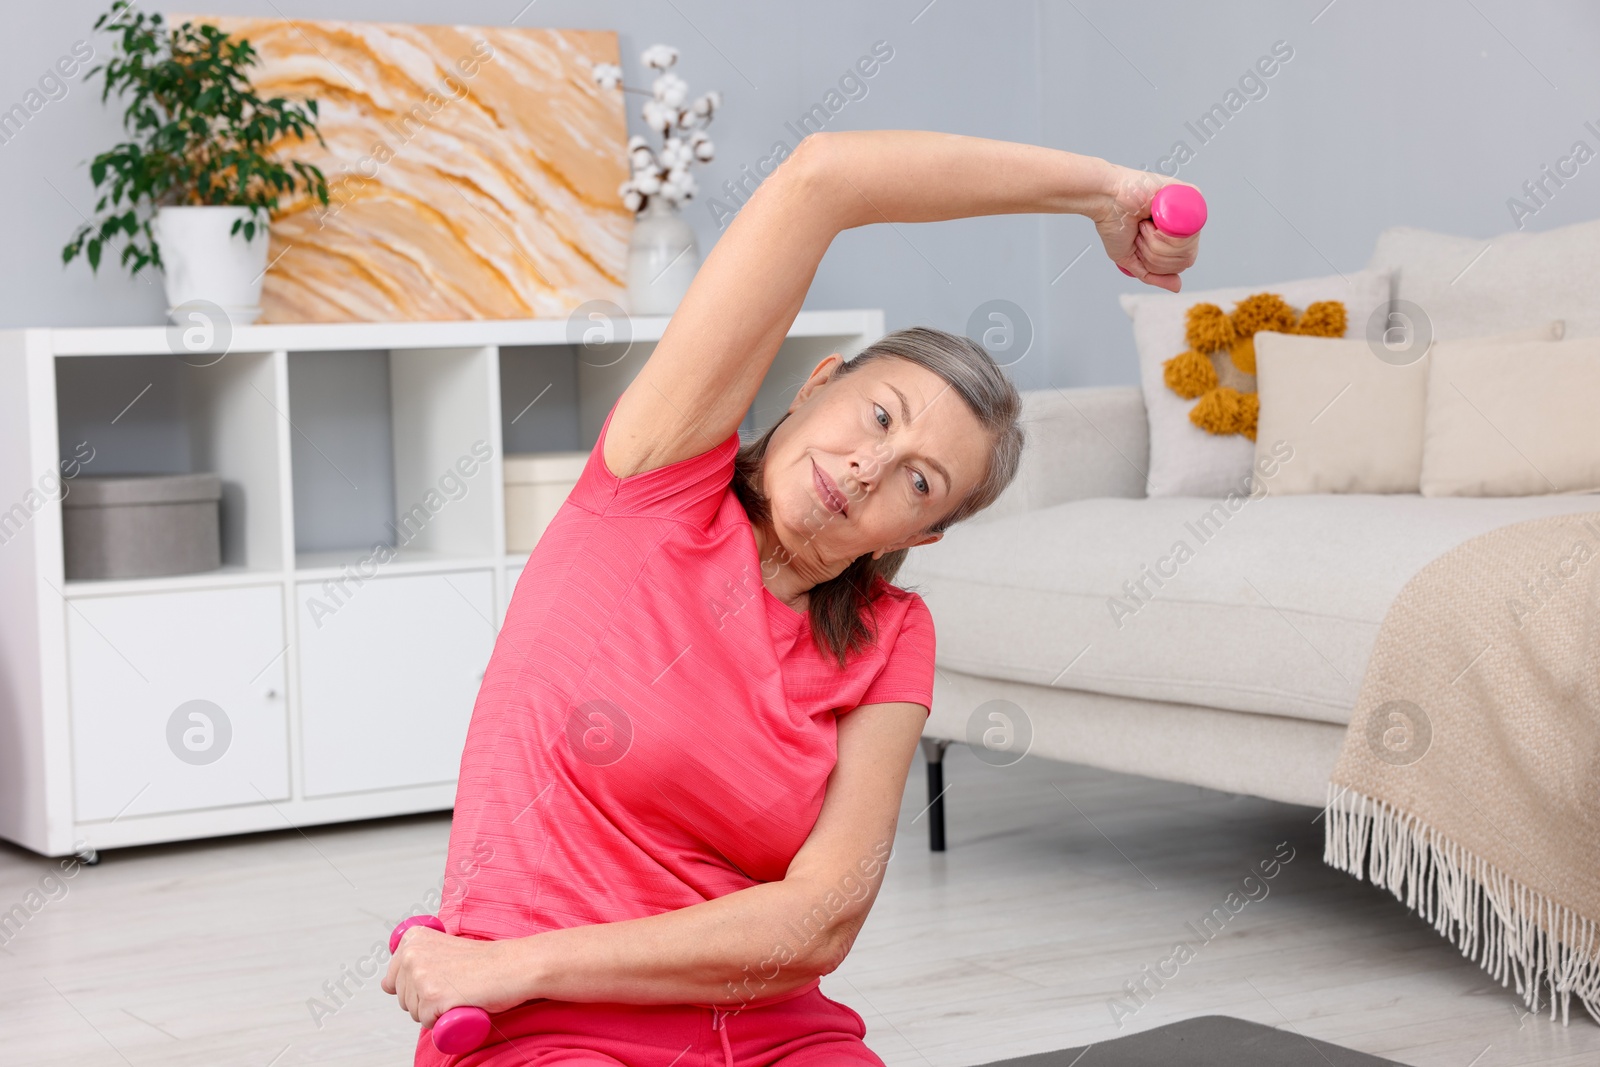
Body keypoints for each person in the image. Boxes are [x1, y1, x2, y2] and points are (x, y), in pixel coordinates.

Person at [382, 129, 1200, 1065]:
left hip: (768, 1036)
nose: (870, 464)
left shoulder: (893, 637)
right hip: (550, 1031)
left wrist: (519, 962)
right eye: (879, 415)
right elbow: (825, 177)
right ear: (818, 386)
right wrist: (1108, 188)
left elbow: (817, 923)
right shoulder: (652, 488)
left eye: (920, 482)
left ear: (919, 537)